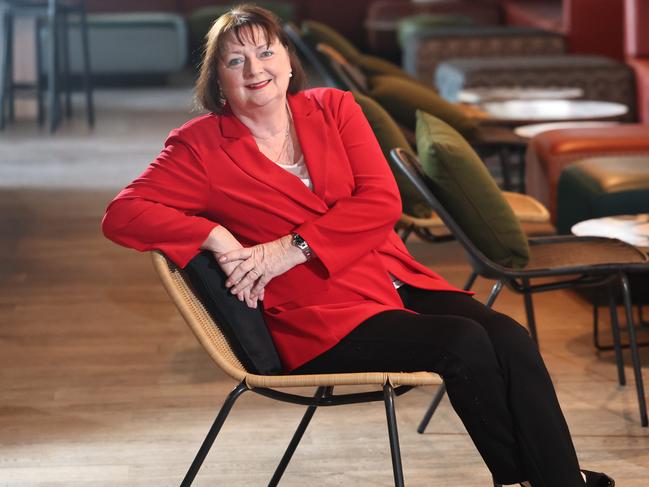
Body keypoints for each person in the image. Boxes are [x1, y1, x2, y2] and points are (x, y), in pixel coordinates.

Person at [101, 5, 614, 487]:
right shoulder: (199, 148)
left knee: (509, 337)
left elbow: (381, 202)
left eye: (265, 52)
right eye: (236, 60)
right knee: (463, 343)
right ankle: (536, 480)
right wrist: (212, 234)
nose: (254, 68)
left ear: (287, 60)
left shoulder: (333, 108)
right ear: (218, 80)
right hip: (321, 315)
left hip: (391, 276)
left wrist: (289, 248)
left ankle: (557, 480)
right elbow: (122, 213)